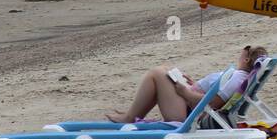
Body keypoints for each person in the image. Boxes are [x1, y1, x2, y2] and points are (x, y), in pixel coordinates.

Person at [106, 45, 266, 124]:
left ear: (246, 59)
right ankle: (133, 115)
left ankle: (130, 117)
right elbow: (213, 97)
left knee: (157, 73)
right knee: (164, 73)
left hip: (189, 114)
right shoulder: (241, 78)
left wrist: (186, 93)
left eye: (245, 51)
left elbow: (214, 103)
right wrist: (192, 85)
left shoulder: (238, 78)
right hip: (192, 107)